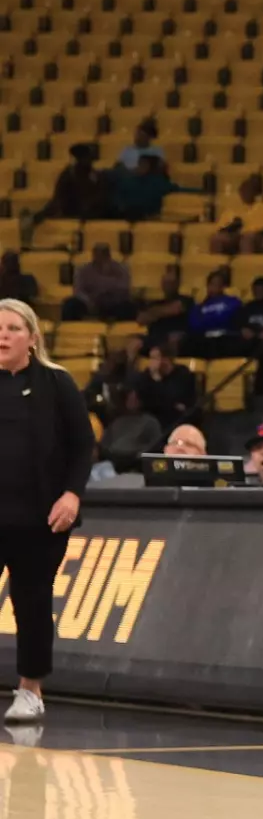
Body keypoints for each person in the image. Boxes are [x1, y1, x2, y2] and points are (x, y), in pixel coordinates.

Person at [0, 298, 92, 725]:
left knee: (32, 601)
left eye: (13, 328)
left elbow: (82, 446)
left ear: (33, 338)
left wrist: (72, 495)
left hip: (41, 517)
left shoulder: (58, 383)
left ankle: (30, 691)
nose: (3, 335)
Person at [64, 244, 135, 322]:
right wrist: (88, 301)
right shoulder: (83, 271)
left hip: (114, 302)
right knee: (70, 304)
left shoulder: (121, 270)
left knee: (128, 306)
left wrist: (108, 292)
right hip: (90, 301)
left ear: (108, 256)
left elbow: (124, 289)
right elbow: (78, 290)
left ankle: (123, 330)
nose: (100, 259)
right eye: (97, 256)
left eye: (103, 255)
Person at [211, 175, 263, 255]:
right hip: (234, 235)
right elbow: (221, 226)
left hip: (253, 236)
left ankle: (247, 265)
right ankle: (217, 264)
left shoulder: (262, 208)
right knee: (216, 239)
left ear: (254, 193)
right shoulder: (233, 207)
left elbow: (261, 228)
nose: (244, 193)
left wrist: (243, 230)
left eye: (248, 190)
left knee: (247, 239)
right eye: (242, 191)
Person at [186, 271, 243, 358]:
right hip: (205, 339)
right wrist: (214, 320)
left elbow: (230, 319)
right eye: (211, 284)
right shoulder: (199, 307)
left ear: (223, 287)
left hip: (226, 338)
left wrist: (209, 320)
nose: (213, 287)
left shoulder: (232, 301)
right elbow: (195, 324)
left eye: (217, 284)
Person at [134, 345, 195, 424]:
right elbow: (144, 400)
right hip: (151, 417)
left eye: (154, 358)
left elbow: (171, 398)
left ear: (166, 360)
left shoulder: (182, 373)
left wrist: (157, 379)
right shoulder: (147, 374)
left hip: (175, 419)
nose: (151, 362)